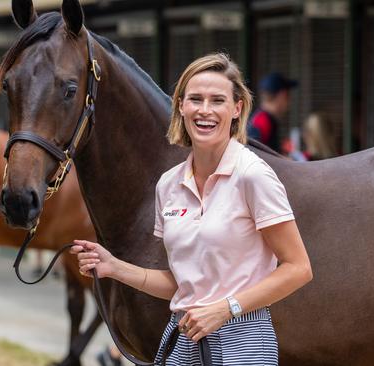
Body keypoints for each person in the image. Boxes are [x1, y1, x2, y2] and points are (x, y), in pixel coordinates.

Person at [71, 53, 312, 364]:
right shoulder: (168, 185)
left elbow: (299, 268)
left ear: (236, 108)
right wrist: (114, 267)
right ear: (181, 106)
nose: (205, 110)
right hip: (183, 337)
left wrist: (226, 308)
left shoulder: (253, 175)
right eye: (195, 99)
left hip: (243, 339)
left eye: (217, 100)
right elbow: (183, 283)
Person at [247, 72, 298, 152]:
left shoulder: (266, 118)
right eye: (288, 96)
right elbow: (253, 153)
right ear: (282, 95)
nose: (289, 102)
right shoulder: (262, 121)